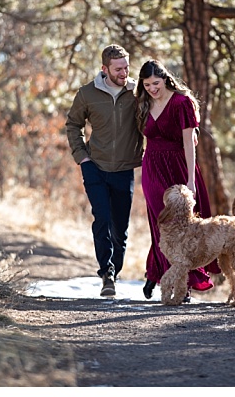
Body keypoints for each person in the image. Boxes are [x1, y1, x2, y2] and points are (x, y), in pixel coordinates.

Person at [136, 60, 220, 300]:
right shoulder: (143, 101)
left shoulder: (182, 103)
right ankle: (165, 279)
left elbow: (188, 145)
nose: (152, 88)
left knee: (181, 226)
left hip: (178, 167)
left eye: (156, 83)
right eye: (147, 84)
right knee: (161, 223)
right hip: (151, 167)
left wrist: (191, 181)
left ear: (166, 78)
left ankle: (168, 277)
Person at [65, 44, 145, 298]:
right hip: (95, 167)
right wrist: (82, 158)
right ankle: (106, 274)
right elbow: (73, 125)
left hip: (123, 169)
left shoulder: (137, 93)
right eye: (118, 69)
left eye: (126, 68)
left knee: (119, 229)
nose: (124, 73)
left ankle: (115, 270)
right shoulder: (87, 94)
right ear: (104, 69)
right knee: (101, 218)